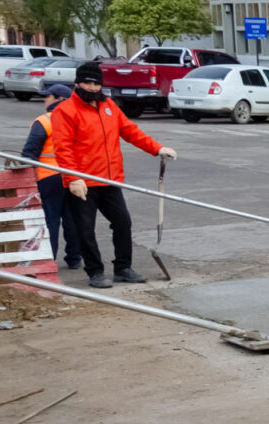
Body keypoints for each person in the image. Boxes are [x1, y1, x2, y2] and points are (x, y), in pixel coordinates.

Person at [54, 61, 176, 289]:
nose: (92, 88)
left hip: (109, 180)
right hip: (82, 182)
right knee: (85, 230)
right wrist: (72, 178)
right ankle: (95, 272)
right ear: (77, 83)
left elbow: (130, 131)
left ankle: (123, 268)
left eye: (96, 84)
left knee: (122, 222)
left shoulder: (108, 106)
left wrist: (157, 148)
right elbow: (63, 148)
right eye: (87, 83)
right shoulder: (65, 111)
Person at [18, 83, 85, 275]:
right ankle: (74, 258)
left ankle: (49, 258)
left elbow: (29, 153)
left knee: (50, 220)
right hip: (74, 176)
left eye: (47, 96)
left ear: (59, 99)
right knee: (73, 219)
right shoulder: (78, 119)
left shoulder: (44, 121)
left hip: (48, 177)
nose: (44, 100)